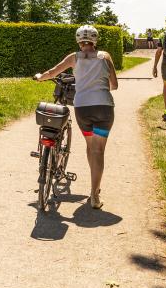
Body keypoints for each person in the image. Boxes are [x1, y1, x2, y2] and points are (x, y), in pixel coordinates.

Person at [34, 25, 118, 210]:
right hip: (104, 108)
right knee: (99, 150)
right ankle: (94, 194)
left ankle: (94, 189)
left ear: (78, 40)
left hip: (83, 108)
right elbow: (114, 85)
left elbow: (52, 72)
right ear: (95, 40)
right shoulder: (105, 56)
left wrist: (40, 77)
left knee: (91, 147)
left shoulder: (73, 58)